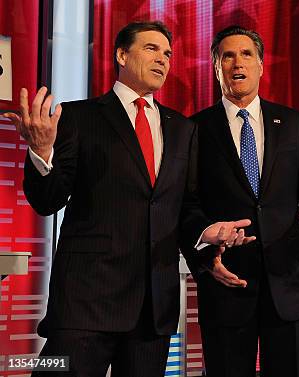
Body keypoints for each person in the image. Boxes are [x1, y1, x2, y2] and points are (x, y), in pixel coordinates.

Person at [3, 21, 253, 376]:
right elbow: (48, 200)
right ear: (121, 54)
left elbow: (184, 208)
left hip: (153, 310)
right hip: (85, 305)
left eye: (167, 53)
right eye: (151, 49)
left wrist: (205, 240)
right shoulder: (79, 116)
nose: (163, 59)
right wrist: (42, 152)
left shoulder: (183, 129)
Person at [184, 25, 299, 377]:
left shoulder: (292, 122)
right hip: (227, 280)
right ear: (216, 67)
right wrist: (204, 256)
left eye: (246, 54)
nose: (238, 63)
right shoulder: (195, 128)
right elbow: (187, 203)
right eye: (227, 55)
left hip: (288, 282)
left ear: (261, 65)